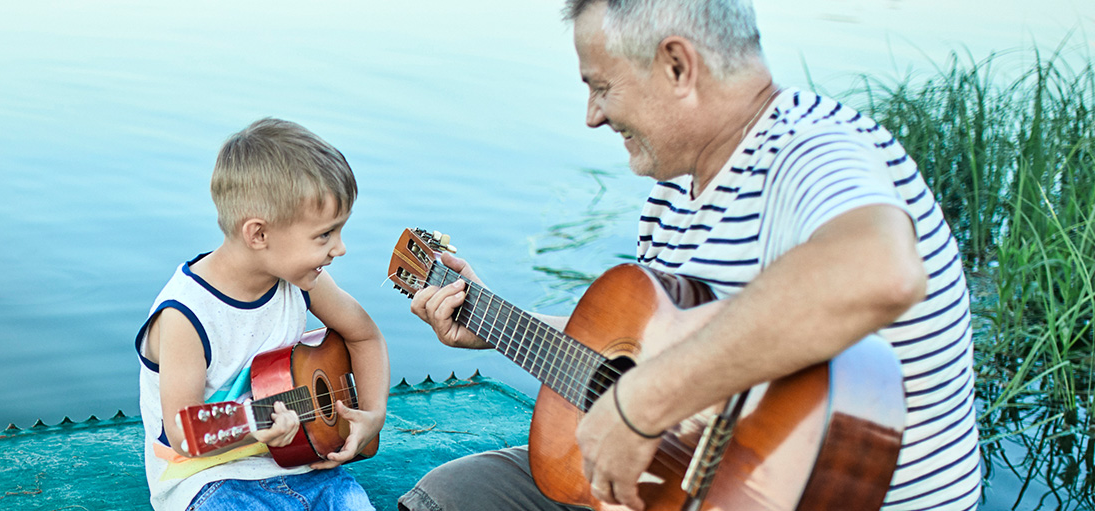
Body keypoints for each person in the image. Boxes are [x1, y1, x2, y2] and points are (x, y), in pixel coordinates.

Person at [396, 1, 981, 510]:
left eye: (601, 86)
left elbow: (878, 272)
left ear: (678, 66)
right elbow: (659, 354)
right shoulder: (677, 186)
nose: (593, 114)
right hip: (680, 477)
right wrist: (497, 323)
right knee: (456, 495)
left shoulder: (813, 149)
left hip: (820, 495)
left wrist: (642, 406)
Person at [135, 118, 391, 511]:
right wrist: (255, 423)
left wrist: (371, 415)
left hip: (305, 467)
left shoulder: (302, 281)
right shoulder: (186, 316)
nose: (339, 248)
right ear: (258, 235)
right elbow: (184, 432)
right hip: (209, 481)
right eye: (324, 235)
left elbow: (364, 336)